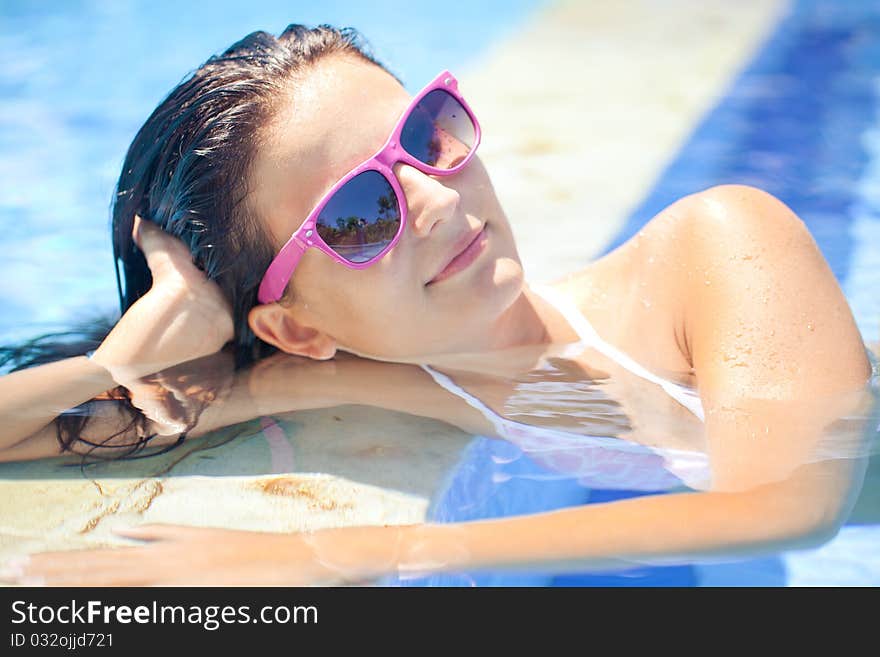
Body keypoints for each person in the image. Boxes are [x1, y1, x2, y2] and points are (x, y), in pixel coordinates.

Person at [0, 24, 876, 586]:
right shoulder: (363, 377)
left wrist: (356, 552)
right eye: (359, 211)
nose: (436, 197)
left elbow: (787, 505)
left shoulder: (719, 245)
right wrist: (120, 360)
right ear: (297, 328)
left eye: (426, 133)